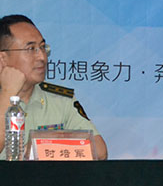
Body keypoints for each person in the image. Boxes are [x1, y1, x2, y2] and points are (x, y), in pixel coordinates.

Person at [0, 14, 108, 160]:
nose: (42, 57)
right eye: (31, 49)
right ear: (3, 58)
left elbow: (100, 151)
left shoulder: (61, 100)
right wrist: (8, 93)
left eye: (42, 47)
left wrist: (37, 149)